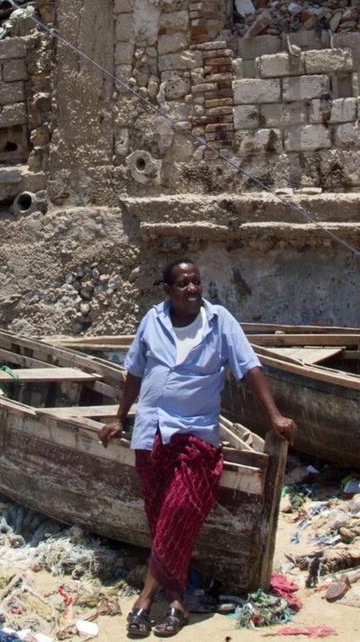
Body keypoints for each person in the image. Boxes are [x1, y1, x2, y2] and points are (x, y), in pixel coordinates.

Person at [98, 259, 297, 638]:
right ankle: (175, 602)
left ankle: (144, 598)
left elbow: (249, 367)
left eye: (197, 282)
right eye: (184, 284)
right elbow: (135, 372)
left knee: (179, 510)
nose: (193, 289)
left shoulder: (220, 321)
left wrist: (275, 416)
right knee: (161, 518)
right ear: (168, 290)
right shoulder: (151, 321)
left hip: (196, 435)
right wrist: (119, 417)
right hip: (151, 432)